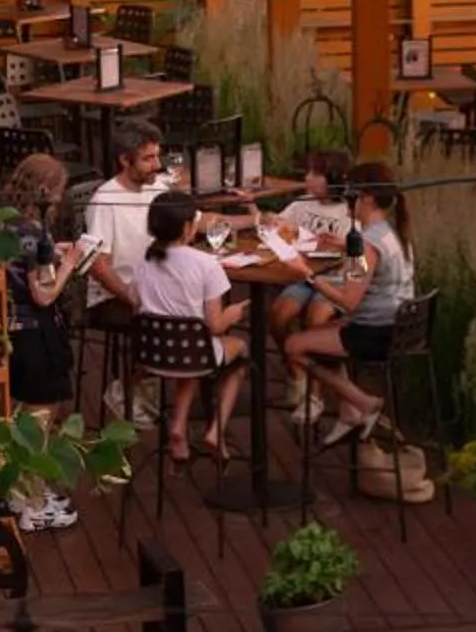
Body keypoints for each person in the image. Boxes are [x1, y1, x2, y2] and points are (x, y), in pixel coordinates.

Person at [282, 161, 413, 446]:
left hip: (373, 332)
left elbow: (349, 301)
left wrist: (307, 275)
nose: (345, 200)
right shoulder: (389, 232)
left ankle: (363, 402)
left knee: (294, 346)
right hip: (399, 327)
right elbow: (371, 265)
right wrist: (343, 245)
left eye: (350, 193)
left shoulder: (363, 243)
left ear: (366, 197)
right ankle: (350, 412)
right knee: (324, 331)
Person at [0, 152, 93, 532]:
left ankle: (22, 489)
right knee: (39, 417)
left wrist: (53, 252)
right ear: (46, 191)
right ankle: (31, 501)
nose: (60, 198)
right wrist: (70, 264)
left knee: (24, 414)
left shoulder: (6, 224)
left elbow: (21, 265)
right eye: (58, 191)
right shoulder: (35, 232)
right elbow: (43, 294)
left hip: (10, 327)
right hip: (36, 332)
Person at [131, 187, 248, 463]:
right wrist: (234, 313)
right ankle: (216, 430)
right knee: (240, 352)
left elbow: (135, 304)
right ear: (186, 228)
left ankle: (178, 427)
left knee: (191, 356)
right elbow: (216, 325)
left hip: (154, 354)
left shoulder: (142, 261)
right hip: (192, 352)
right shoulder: (206, 264)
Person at [79, 120, 176, 425]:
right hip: (111, 295)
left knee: (201, 310)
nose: (157, 165)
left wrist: (250, 218)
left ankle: (151, 389)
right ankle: (130, 389)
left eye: (157, 156)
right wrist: (132, 296)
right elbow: (97, 265)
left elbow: (196, 220)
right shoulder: (105, 199)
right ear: (125, 160)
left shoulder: (158, 187)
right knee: (162, 317)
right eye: (148, 158)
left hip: (154, 287)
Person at [260, 149, 353, 418]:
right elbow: (278, 225)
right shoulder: (302, 203)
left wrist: (348, 255)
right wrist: (268, 220)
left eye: (315, 173)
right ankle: (296, 373)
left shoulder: (350, 212)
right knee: (279, 315)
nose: (307, 177)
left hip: (335, 281)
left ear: (333, 179)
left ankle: (316, 394)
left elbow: (359, 266)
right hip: (305, 277)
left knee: (316, 320)